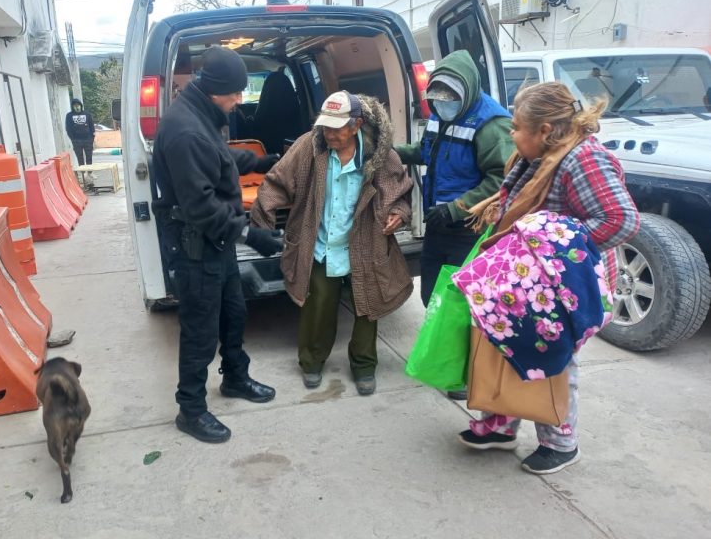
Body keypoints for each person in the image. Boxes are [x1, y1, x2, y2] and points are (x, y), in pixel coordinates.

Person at [457, 81, 640, 474]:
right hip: (527, 282)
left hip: (562, 288)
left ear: (543, 130)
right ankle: (501, 427)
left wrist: (548, 249)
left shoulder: (582, 160)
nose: (511, 133)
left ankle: (560, 443)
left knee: (552, 363)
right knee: (506, 350)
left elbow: (619, 220)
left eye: (517, 127)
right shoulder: (540, 155)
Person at [151, 46, 282, 444]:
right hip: (197, 243)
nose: (239, 100)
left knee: (233, 312)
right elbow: (202, 208)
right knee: (200, 330)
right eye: (236, 93)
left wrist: (261, 161)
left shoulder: (200, 115)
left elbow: (218, 157)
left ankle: (235, 378)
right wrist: (252, 235)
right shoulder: (184, 130)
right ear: (215, 90)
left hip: (216, 242)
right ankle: (190, 409)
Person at [251, 91, 413, 395]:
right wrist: (262, 226)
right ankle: (311, 362)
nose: (329, 134)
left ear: (356, 125)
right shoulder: (308, 149)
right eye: (325, 127)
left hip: (365, 244)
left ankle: (364, 366)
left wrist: (399, 214)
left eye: (337, 128)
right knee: (318, 307)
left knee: (368, 309)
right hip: (322, 245)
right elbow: (275, 182)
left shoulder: (380, 155)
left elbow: (400, 193)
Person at [395, 50, 515, 401]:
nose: (442, 105)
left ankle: (466, 374)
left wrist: (457, 209)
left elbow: (501, 178)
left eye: (449, 99)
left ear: (467, 91)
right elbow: (429, 150)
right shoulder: (440, 115)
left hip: (470, 228)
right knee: (432, 294)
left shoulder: (492, 125)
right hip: (439, 224)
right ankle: (447, 362)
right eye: (436, 99)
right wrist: (397, 152)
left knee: (464, 303)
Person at [65, 98, 95, 166]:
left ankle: (90, 172)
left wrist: (92, 138)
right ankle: (83, 173)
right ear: (72, 107)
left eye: (78, 105)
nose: (77, 107)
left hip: (88, 139)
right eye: (75, 105)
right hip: (76, 140)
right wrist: (73, 139)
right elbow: (68, 128)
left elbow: (91, 126)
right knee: (79, 157)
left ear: (81, 105)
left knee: (89, 156)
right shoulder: (69, 115)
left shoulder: (87, 114)